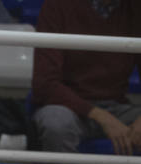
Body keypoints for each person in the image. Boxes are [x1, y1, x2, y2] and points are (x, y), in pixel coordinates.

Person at [31, 0, 141, 154]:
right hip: (67, 106)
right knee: (56, 123)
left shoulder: (136, 8)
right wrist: (102, 117)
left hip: (117, 106)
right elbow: (44, 84)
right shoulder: (58, 5)